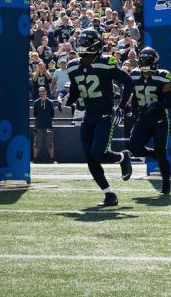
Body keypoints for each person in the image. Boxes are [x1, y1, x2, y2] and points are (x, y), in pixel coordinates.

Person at [64, 28, 135, 207]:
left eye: (85, 42)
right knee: (89, 156)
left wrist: (120, 107)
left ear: (95, 44)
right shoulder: (73, 66)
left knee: (98, 153)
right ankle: (109, 193)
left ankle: (122, 157)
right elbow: (74, 89)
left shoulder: (106, 62)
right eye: (80, 42)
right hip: (89, 116)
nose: (81, 46)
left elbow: (128, 82)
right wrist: (66, 100)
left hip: (105, 115)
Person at [125, 47, 171, 197]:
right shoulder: (134, 75)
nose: (145, 63)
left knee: (161, 152)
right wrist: (133, 111)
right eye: (143, 59)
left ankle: (166, 186)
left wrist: (156, 104)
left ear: (154, 61)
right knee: (134, 147)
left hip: (159, 119)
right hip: (143, 118)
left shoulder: (162, 76)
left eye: (148, 60)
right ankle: (157, 155)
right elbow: (135, 96)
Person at [32, 86, 58, 163]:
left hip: (48, 126)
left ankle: (52, 158)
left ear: (46, 92)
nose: (41, 93)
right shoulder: (36, 102)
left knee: (50, 143)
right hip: (39, 126)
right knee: (37, 143)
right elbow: (35, 114)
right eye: (40, 92)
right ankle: (35, 158)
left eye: (42, 91)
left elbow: (52, 114)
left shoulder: (50, 102)